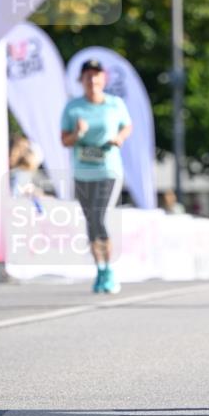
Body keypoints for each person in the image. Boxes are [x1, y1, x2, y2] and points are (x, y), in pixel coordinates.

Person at [61, 59, 132, 293]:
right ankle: (100, 270)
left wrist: (119, 138)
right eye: (88, 76)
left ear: (103, 79)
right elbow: (64, 141)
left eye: (96, 75)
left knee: (99, 217)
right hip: (83, 171)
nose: (92, 80)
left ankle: (110, 270)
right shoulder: (73, 108)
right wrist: (78, 133)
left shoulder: (114, 104)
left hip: (107, 170)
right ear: (81, 80)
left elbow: (126, 126)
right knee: (91, 222)